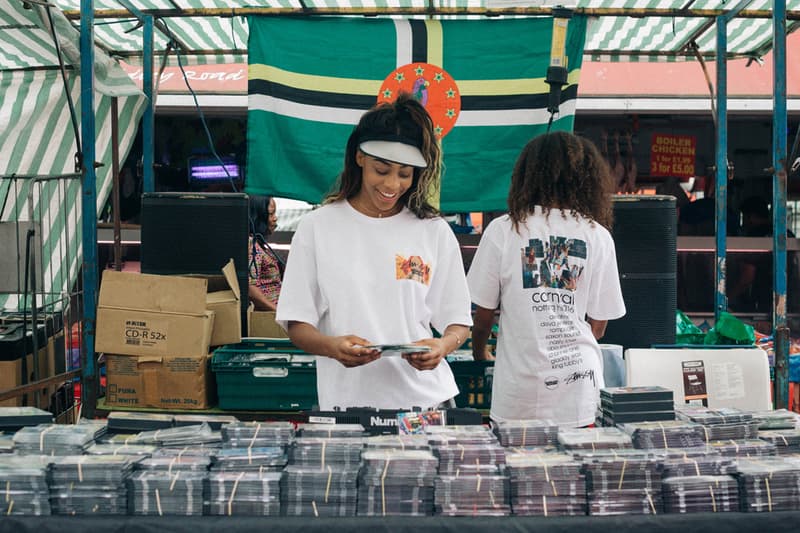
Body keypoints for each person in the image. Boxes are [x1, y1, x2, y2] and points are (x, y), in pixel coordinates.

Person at [275, 93, 472, 411]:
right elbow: (297, 323)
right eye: (382, 170)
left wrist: (442, 346)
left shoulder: (432, 230)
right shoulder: (318, 227)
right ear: (359, 158)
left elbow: (458, 322)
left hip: (427, 403)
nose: (392, 184)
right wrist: (331, 347)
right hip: (348, 406)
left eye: (405, 174)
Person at [467, 131, 626, 427]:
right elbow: (600, 324)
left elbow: (483, 315)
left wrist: (480, 352)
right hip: (578, 385)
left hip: (519, 388)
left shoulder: (503, 230)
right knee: (576, 471)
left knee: (517, 471)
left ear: (526, 175)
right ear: (587, 178)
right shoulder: (597, 236)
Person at [248, 195, 283, 311]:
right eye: (271, 214)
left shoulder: (260, 244)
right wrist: (277, 312)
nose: (275, 218)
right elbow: (250, 288)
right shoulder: (251, 245)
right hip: (268, 317)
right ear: (258, 216)